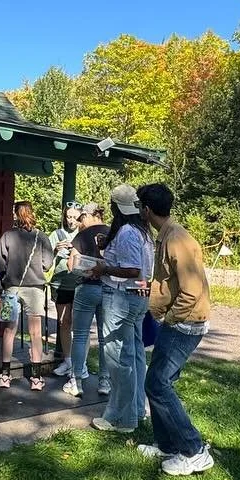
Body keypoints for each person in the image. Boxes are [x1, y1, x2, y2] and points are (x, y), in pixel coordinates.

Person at [137, 183, 213, 476]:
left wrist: (170, 318)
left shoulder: (176, 239)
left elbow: (192, 290)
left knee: (158, 384)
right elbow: (171, 283)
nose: (139, 211)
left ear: (147, 209)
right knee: (155, 382)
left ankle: (195, 451)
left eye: (140, 207)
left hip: (185, 323)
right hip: (177, 320)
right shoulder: (167, 235)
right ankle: (167, 445)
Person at [90, 185, 153, 434]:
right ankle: (137, 409)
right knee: (136, 356)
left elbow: (131, 270)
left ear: (116, 207)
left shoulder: (127, 232)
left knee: (118, 359)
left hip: (121, 297)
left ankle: (120, 417)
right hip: (138, 298)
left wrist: (103, 268)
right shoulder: (141, 231)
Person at [0, 201, 54, 391]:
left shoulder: (7, 236)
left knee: (9, 330)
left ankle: (5, 375)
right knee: (35, 333)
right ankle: (36, 378)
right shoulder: (42, 237)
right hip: (35, 289)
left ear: (15, 215)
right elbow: (47, 264)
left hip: (12, 287)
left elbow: (0, 264)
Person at [62, 203, 110, 399]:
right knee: (104, 337)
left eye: (82, 217)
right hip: (107, 289)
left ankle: (77, 381)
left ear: (92, 215)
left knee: (81, 335)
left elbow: (72, 265)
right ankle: (105, 381)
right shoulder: (112, 233)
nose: (81, 221)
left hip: (86, 288)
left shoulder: (82, 236)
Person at [49, 202, 84, 378]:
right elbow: (45, 259)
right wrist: (55, 250)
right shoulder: (56, 234)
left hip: (79, 283)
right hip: (60, 283)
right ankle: (67, 360)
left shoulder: (84, 234)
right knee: (64, 322)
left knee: (79, 324)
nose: (71, 221)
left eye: (74, 217)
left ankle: (80, 364)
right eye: (68, 217)